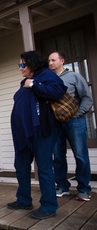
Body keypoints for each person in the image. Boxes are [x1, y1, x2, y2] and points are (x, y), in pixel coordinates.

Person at [8, 51, 67, 219]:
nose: (20, 68)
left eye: (22, 65)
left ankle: (48, 206)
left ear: (32, 64)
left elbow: (58, 91)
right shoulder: (24, 81)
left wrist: (33, 85)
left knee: (44, 168)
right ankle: (24, 200)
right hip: (24, 134)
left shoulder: (47, 75)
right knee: (21, 166)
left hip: (43, 131)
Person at [48, 51, 93, 201]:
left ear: (62, 61)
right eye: (49, 61)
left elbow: (87, 97)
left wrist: (78, 113)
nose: (50, 63)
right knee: (58, 156)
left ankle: (84, 189)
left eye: (53, 60)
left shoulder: (74, 76)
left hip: (75, 121)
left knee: (80, 155)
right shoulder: (49, 79)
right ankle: (62, 186)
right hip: (56, 123)